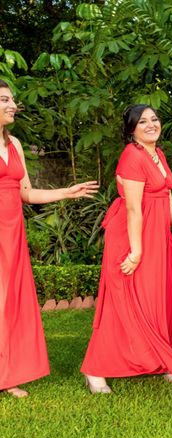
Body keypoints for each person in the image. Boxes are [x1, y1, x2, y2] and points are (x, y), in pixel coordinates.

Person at [81, 104, 172, 394]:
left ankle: (159, 359)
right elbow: (132, 208)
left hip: (157, 233)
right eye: (143, 122)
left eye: (154, 119)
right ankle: (95, 370)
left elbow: (166, 195)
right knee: (123, 302)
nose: (152, 124)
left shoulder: (158, 154)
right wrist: (137, 251)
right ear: (132, 130)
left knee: (154, 297)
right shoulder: (132, 157)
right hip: (133, 234)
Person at [0, 79, 98, 398]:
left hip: (12, 233)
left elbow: (26, 193)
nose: (13, 105)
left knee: (10, 303)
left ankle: (8, 374)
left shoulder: (13, 144)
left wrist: (65, 193)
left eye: (12, 100)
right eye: (4, 100)